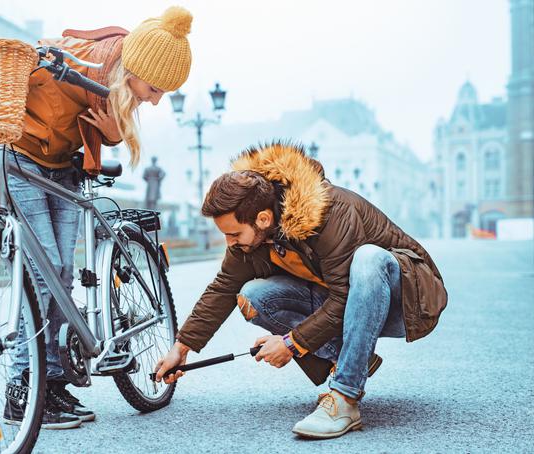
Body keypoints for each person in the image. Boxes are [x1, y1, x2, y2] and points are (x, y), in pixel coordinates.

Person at [0, 6, 193, 430]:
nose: (155, 100)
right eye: (155, 88)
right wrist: (36, 57)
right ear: (135, 67)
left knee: (60, 277)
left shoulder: (117, 80)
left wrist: (114, 132)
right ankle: (24, 387)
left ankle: (55, 383)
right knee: (46, 275)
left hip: (63, 169)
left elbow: (111, 127)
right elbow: (33, 59)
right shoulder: (82, 57)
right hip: (19, 160)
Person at [154, 141, 448, 439]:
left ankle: (345, 398)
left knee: (368, 258)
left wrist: (292, 343)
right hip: (346, 305)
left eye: (233, 233)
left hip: (405, 301)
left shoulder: (332, 211)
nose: (229, 242)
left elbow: (344, 296)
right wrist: (181, 348)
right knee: (253, 295)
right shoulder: (254, 235)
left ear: (263, 219)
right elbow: (223, 288)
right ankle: (349, 356)